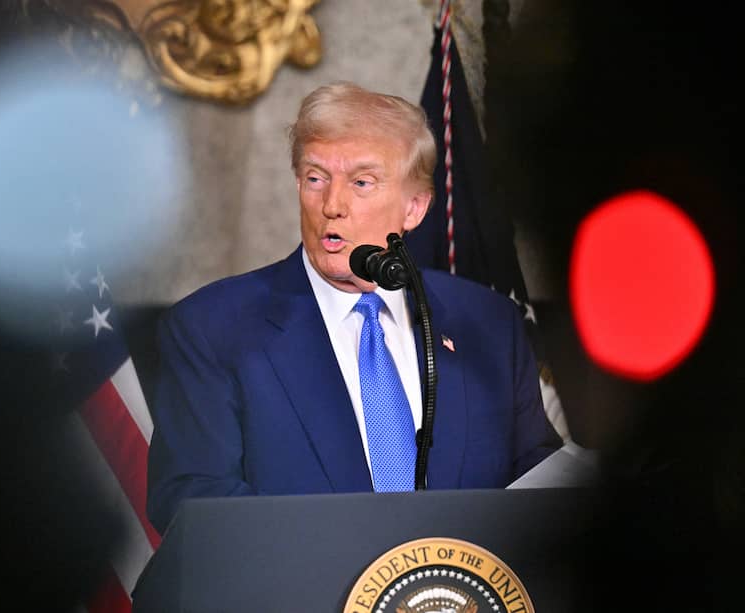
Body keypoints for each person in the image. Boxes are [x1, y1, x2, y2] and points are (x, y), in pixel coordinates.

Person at [146, 81, 562, 535]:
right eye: (315, 178)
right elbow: (190, 499)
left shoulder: (487, 324)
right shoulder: (214, 327)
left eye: (361, 182)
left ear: (415, 208)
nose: (332, 205)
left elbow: (539, 485)